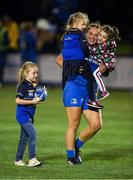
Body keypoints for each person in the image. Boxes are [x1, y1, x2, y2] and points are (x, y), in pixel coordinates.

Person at [57, 13, 107, 165]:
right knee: (74, 123)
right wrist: (75, 70)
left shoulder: (100, 50)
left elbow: (101, 70)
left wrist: (104, 68)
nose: (92, 36)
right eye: (90, 33)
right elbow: (59, 59)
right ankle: (71, 156)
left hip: (90, 90)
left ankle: (76, 147)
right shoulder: (78, 44)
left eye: (96, 35)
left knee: (96, 125)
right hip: (74, 87)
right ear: (85, 33)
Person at [85, 25, 120, 108]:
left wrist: (85, 45)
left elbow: (93, 50)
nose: (100, 38)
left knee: (95, 74)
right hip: (107, 62)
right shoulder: (105, 44)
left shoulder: (103, 46)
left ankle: (104, 91)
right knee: (96, 76)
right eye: (100, 35)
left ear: (107, 39)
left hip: (108, 62)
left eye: (103, 37)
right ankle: (100, 92)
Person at [15, 61, 42, 167]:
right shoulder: (23, 85)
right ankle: (32, 159)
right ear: (26, 74)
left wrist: (39, 97)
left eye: (37, 73)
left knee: (23, 138)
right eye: (34, 73)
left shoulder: (32, 85)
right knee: (33, 135)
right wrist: (32, 101)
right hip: (23, 116)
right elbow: (17, 100)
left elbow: (31, 99)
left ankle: (18, 160)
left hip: (29, 116)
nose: (36, 75)